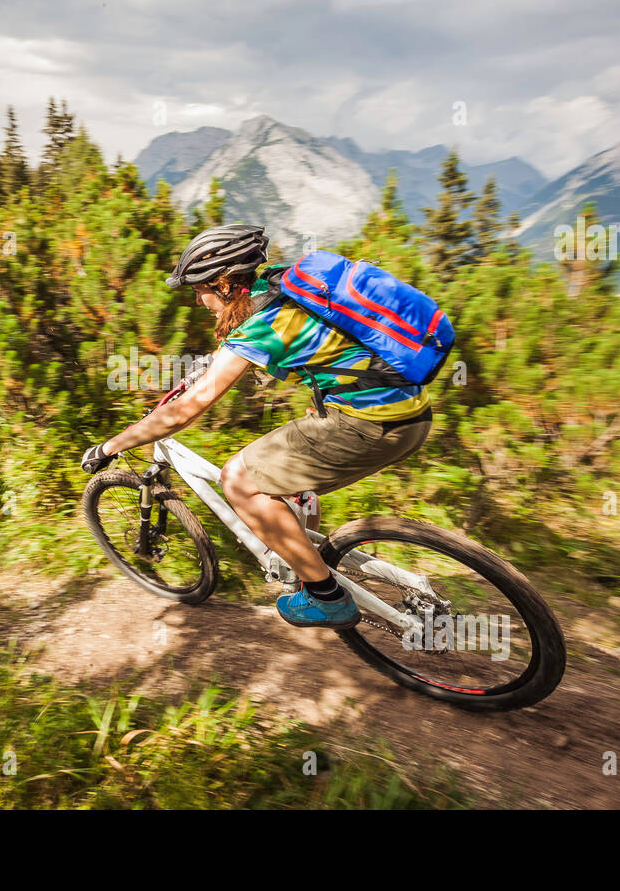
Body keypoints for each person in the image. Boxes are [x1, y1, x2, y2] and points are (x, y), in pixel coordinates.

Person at [80, 223, 434, 629]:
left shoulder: (264, 323)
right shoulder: (283, 284)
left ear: (226, 283)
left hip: (366, 424)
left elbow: (185, 412)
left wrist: (109, 447)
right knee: (289, 452)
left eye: (201, 289)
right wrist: (212, 362)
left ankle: (326, 596)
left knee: (239, 479)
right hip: (409, 413)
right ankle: (300, 557)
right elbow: (259, 343)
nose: (198, 300)